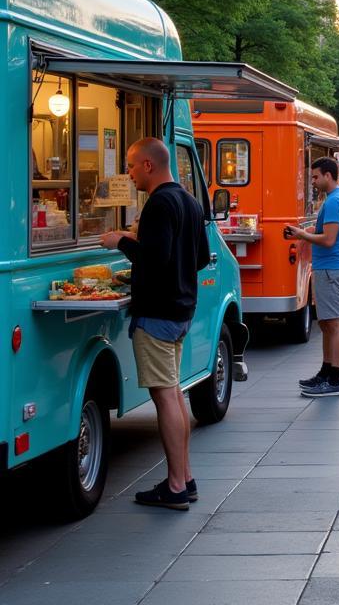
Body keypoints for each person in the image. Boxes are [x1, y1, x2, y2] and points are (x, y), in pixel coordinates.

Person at [99, 138, 209, 510]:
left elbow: (155, 258)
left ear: (148, 165)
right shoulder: (190, 201)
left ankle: (176, 485)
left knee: (165, 396)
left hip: (158, 313)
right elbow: (199, 258)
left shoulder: (160, 203)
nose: (128, 175)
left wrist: (120, 242)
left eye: (130, 166)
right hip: (181, 310)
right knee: (175, 392)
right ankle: (186, 477)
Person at [284, 157, 339, 398]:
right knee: (326, 323)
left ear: (328, 175)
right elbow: (331, 233)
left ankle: (334, 379)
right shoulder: (336, 199)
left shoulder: (334, 201)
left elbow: (329, 239)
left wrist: (303, 233)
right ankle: (326, 373)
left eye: (315, 177)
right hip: (329, 267)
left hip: (331, 268)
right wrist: (312, 231)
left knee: (333, 323)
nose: (313, 182)